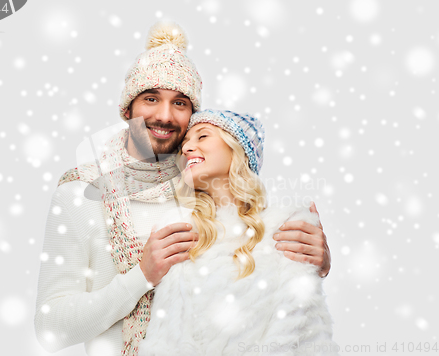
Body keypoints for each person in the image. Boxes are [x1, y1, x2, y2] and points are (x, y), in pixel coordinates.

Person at [34, 21, 332, 356]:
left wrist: (311, 260)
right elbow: (51, 329)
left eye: (180, 103)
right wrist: (142, 276)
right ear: (128, 108)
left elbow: (254, 276)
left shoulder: (202, 185)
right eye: (151, 98)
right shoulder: (80, 194)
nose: (165, 115)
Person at [138, 109, 339, 356]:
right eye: (185, 144)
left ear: (237, 149)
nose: (187, 148)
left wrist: (320, 264)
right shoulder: (177, 230)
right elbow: (167, 339)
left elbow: (303, 330)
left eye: (202, 137)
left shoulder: (285, 225)